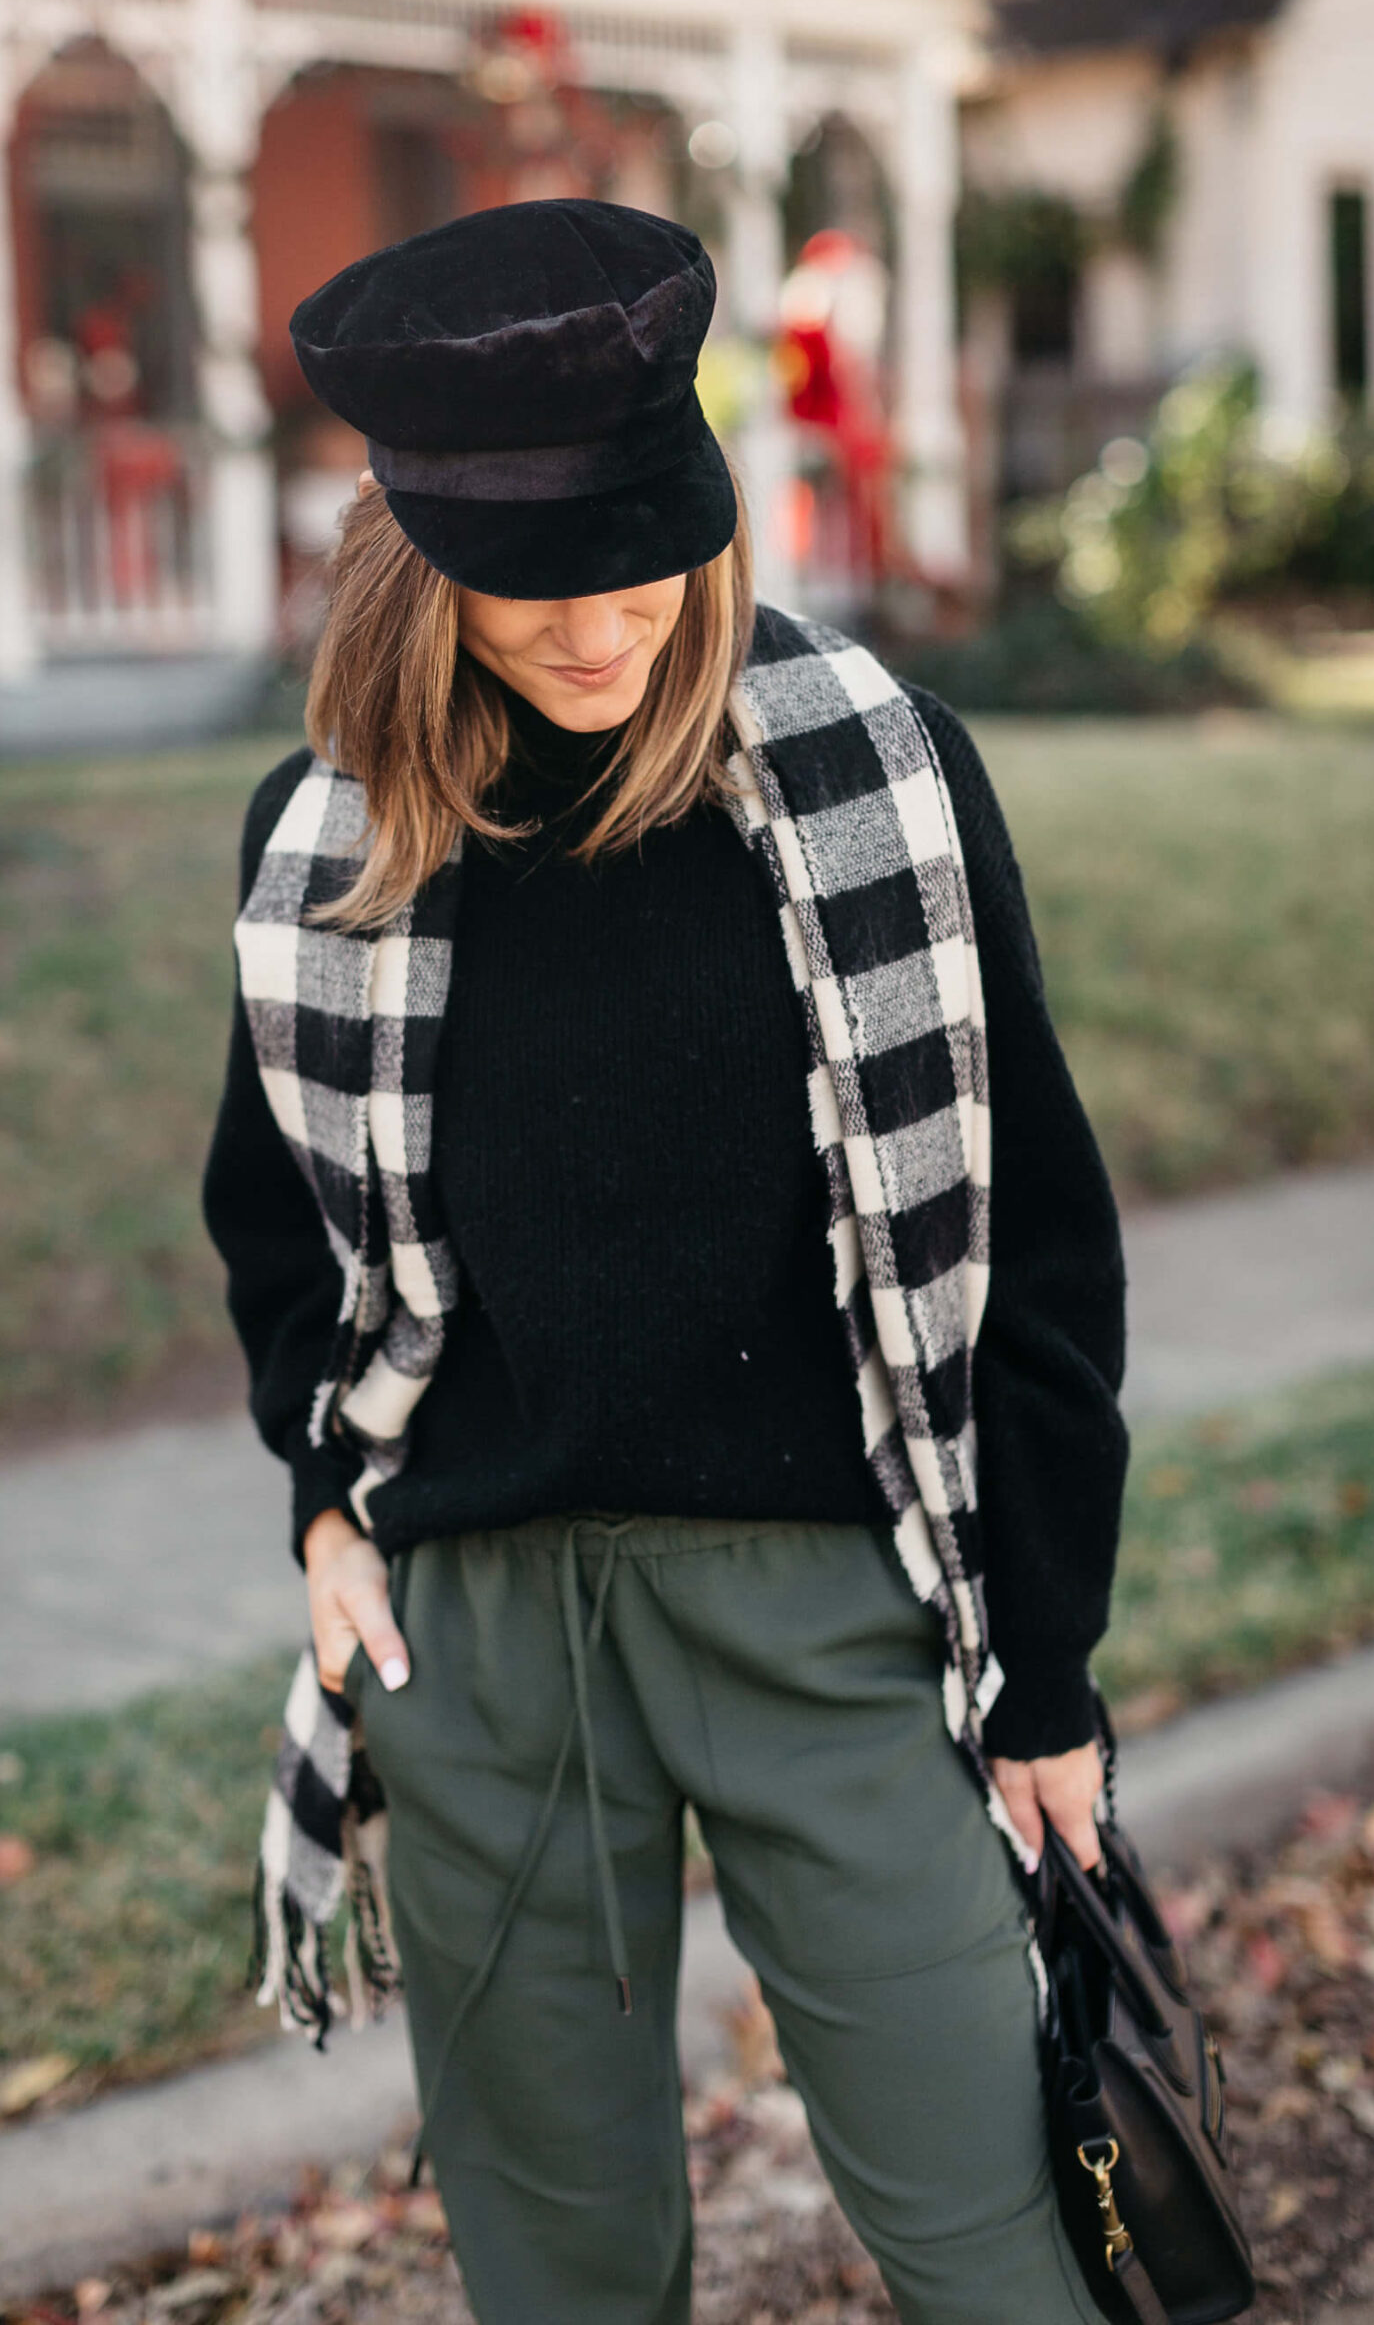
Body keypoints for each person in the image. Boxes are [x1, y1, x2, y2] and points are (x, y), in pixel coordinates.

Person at [202, 198, 1127, 2325]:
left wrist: (1045, 1666)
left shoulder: (875, 776)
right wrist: (326, 1508)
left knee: (990, 2223)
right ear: (420, 551)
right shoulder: (326, 836)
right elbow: (277, 1225)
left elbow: (1037, 1249)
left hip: (829, 1604)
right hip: (481, 1633)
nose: (601, 618)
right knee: (559, 2254)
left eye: (643, 548)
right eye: (533, 580)